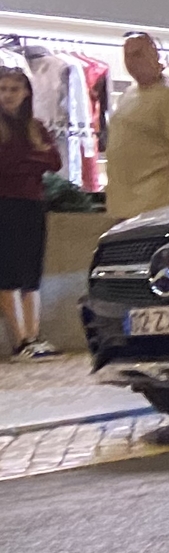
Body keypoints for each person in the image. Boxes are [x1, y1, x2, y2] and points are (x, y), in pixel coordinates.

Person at [0, 65, 61, 358]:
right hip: (5, 202)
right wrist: (32, 160)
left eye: (14, 89)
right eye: (3, 89)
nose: (8, 95)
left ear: (26, 93)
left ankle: (33, 336)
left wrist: (27, 160)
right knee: (8, 272)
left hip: (32, 203)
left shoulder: (36, 127)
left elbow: (55, 161)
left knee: (32, 272)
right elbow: (8, 164)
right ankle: (20, 338)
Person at [106, 33, 169, 221]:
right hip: (124, 208)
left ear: (155, 55)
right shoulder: (128, 94)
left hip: (157, 208)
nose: (132, 61)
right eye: (128, 55)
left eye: (139, 54)